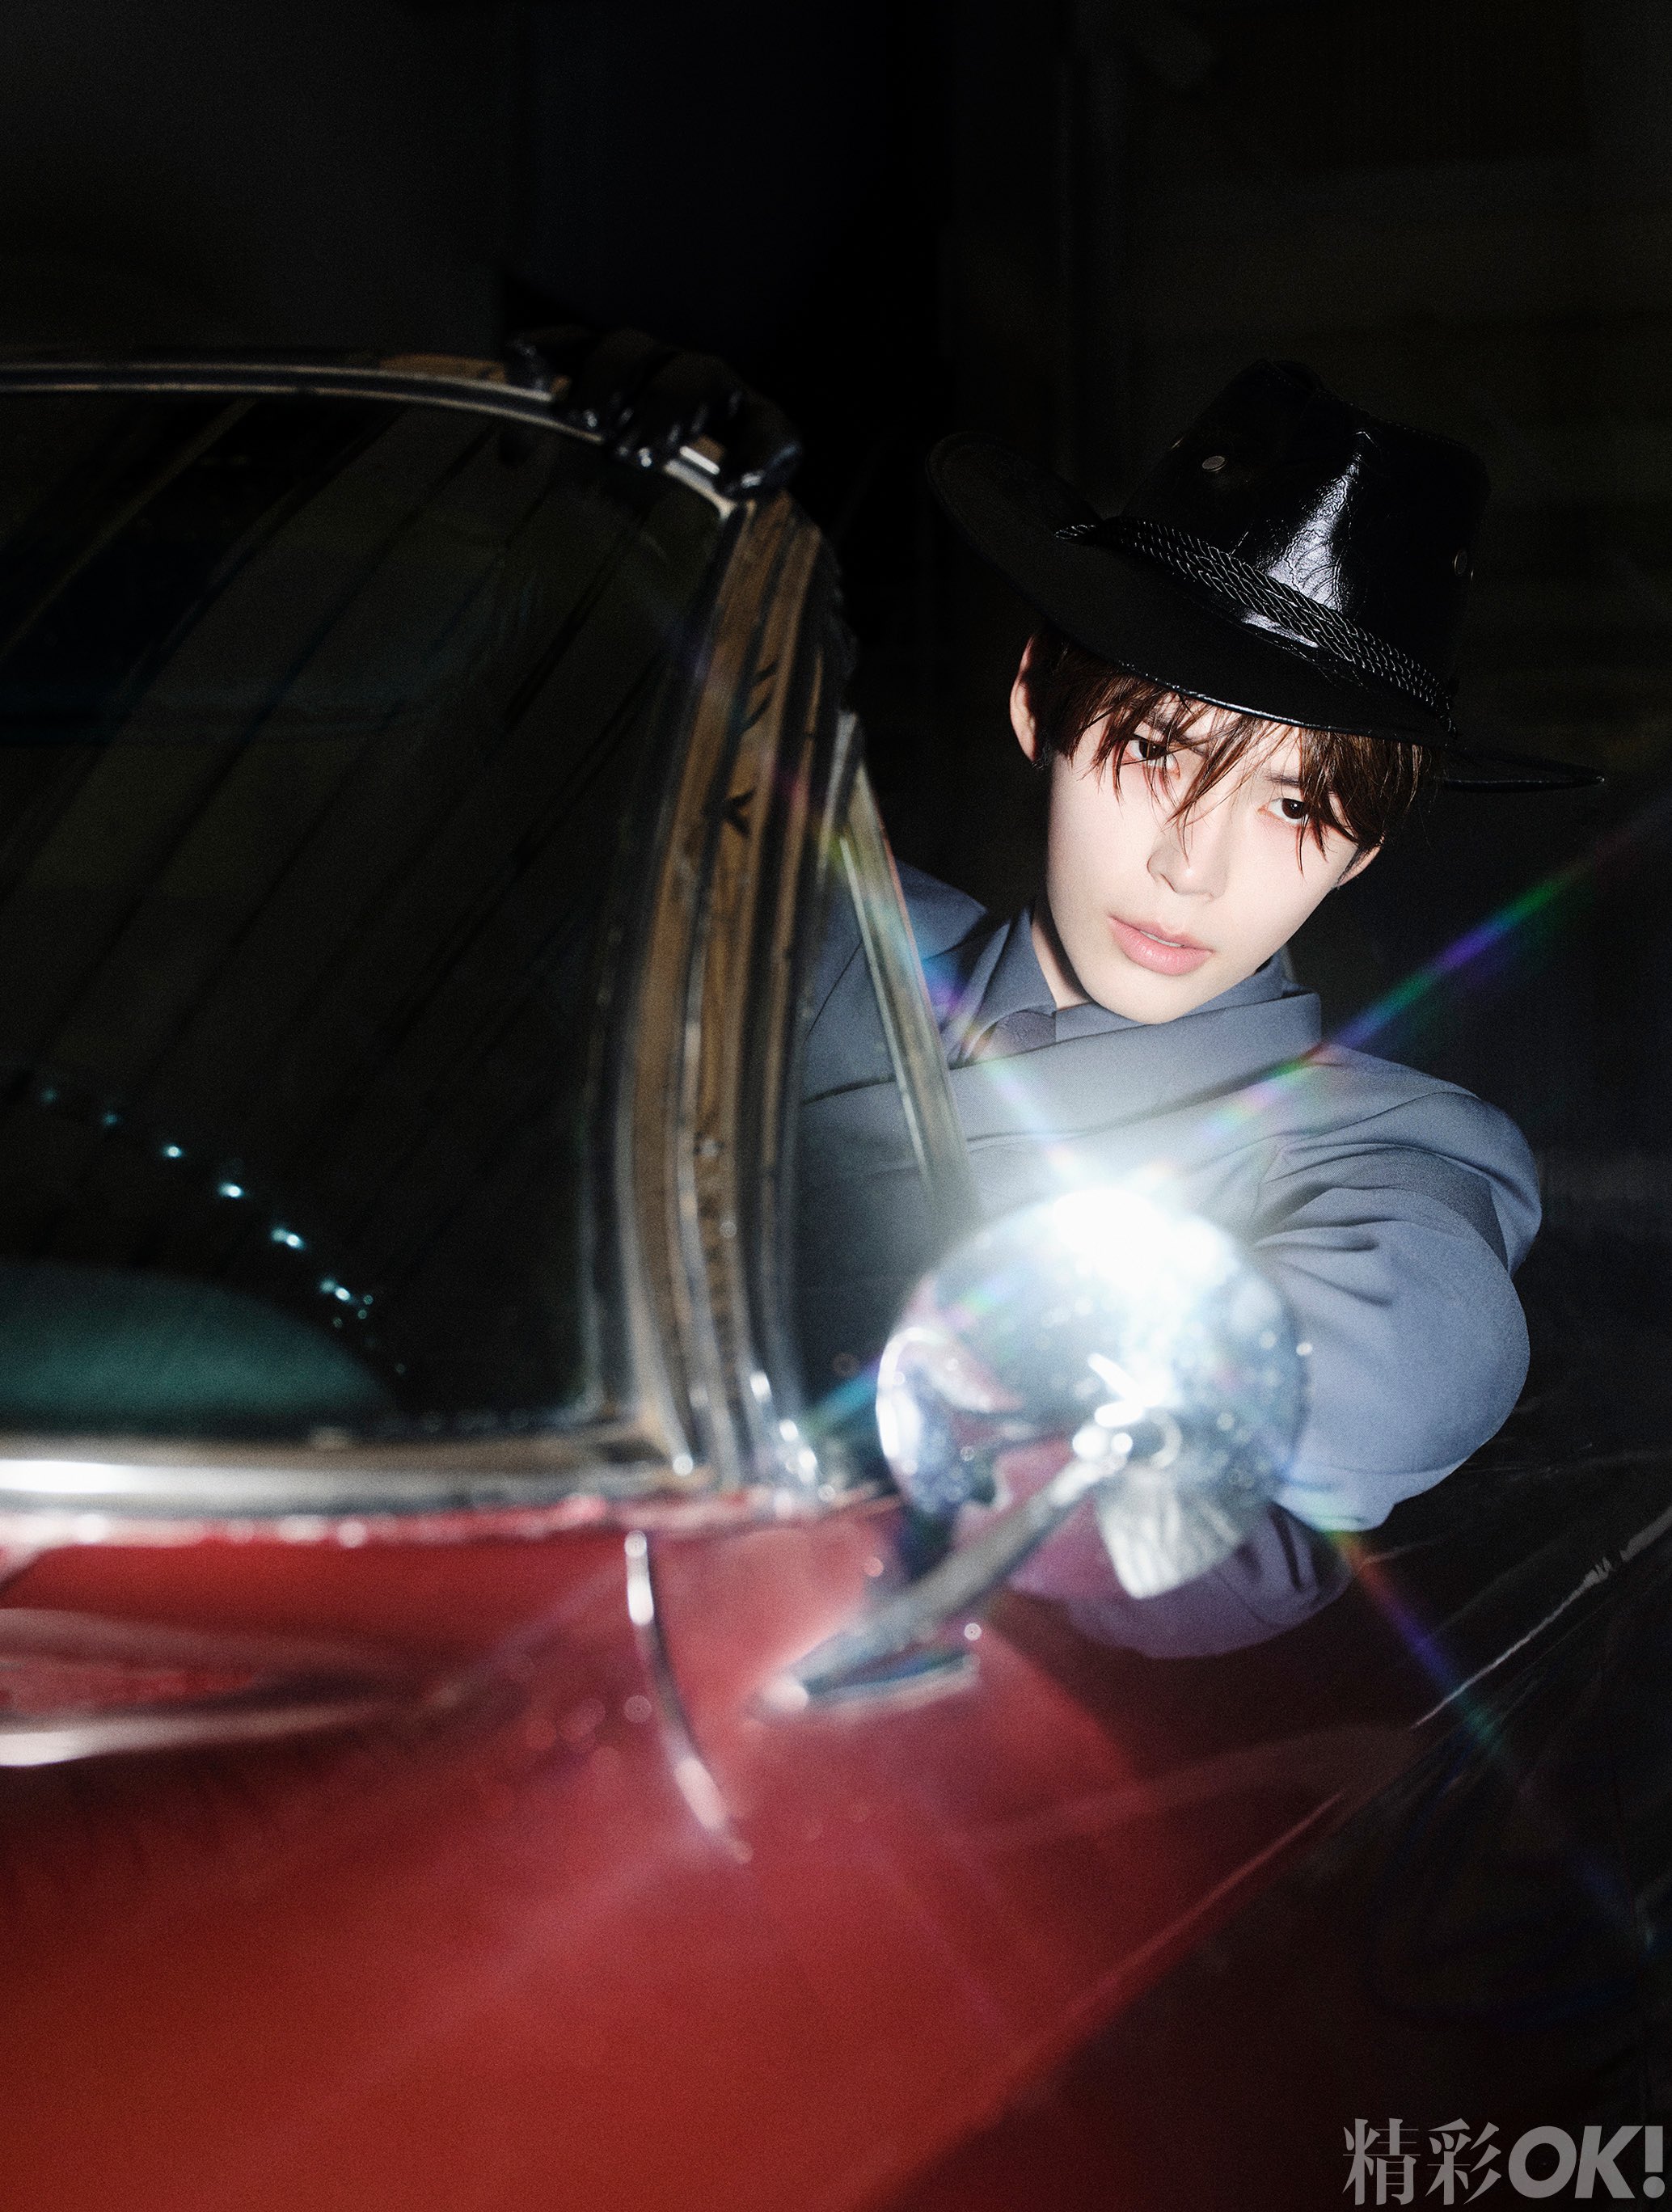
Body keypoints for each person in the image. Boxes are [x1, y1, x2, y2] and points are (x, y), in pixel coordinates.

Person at [798, 361, 1594, 1655]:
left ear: (1362, 852)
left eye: (1295, 805)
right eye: (1157, 749)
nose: (1191, 867)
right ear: (1036, 704)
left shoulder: (1377, 1154)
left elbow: (1406, 1360)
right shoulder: (815, 929)